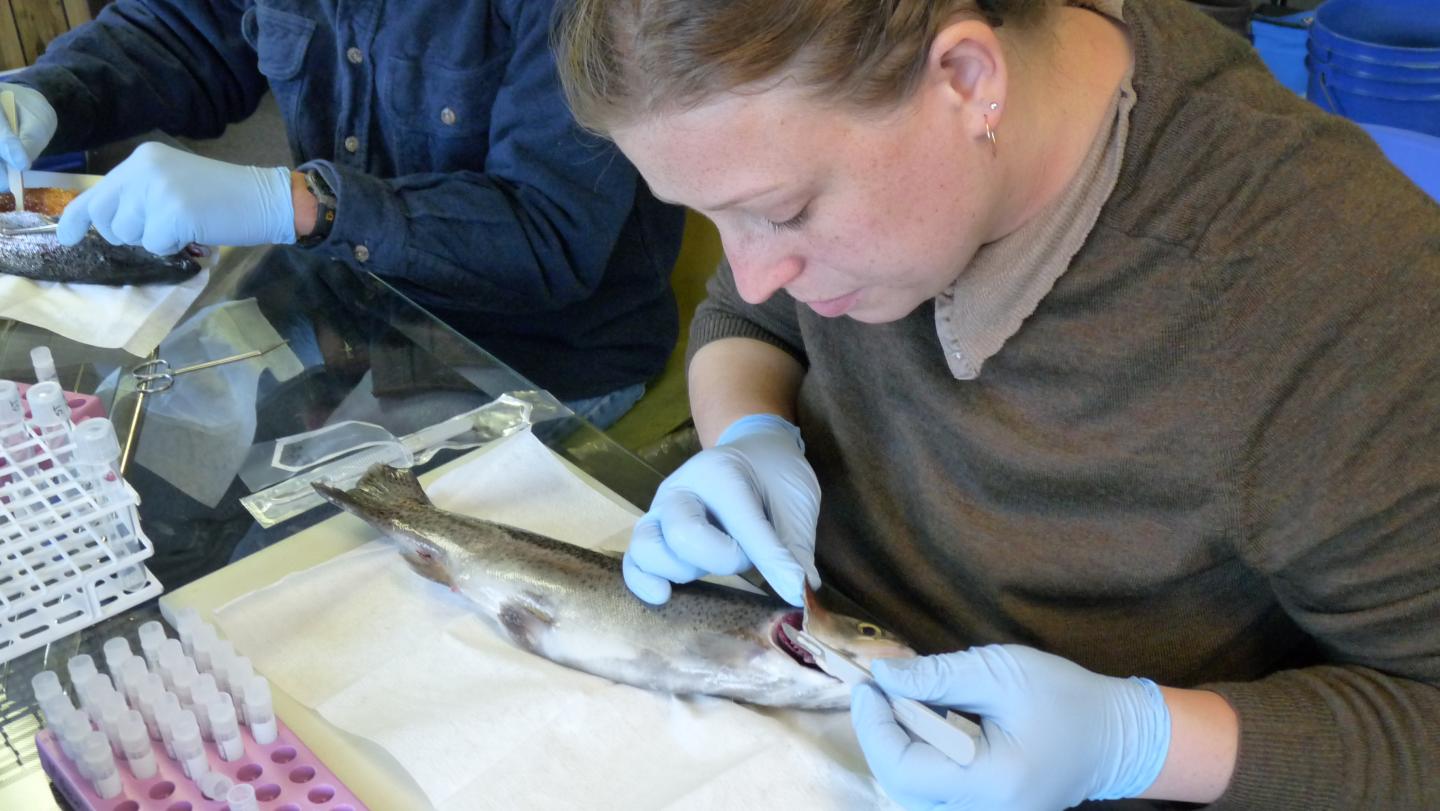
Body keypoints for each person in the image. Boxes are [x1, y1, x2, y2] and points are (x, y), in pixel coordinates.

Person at [553, 0, 1440, 809]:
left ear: (967, 79)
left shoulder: (1346, 298)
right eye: (715, 218)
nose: (753, 263)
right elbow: (746, 310)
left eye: (783, 212)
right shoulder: (835, 144)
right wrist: (746, 432)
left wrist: (1141, 740)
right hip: (786, 691)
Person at [0, 0, 685, 430]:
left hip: (533, 354)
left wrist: (303, 206)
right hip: (341, 297)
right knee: (116, 435)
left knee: (265, 565)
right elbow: (188, 28)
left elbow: (547, 237)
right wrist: (43, 99)